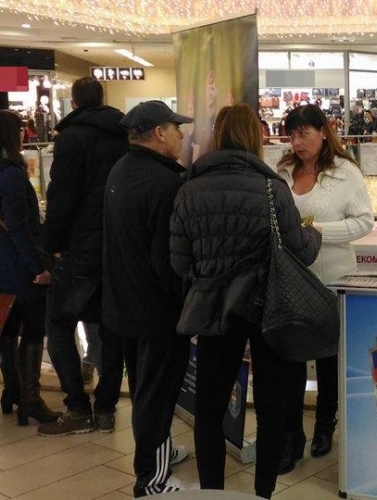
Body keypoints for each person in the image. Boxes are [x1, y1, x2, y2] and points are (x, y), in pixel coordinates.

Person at [170, 104, 322, 499]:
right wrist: (314, 234)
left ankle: (212, 492)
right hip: (266, 308)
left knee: (209, 409)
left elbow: (179, 261)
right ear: (255, 137)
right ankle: (263, 493)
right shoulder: (272, 189)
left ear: (218, 135)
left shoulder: (189, 188)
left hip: (212, 309)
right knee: (271, 407)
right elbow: (301, 252)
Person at [102, 100, 195, 496]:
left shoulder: (121, 170)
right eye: (176, 128)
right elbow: (167, 261)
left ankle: (160, 452)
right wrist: (185, 306)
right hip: (157, 312)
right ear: (159, 133)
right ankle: (152, 481)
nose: (182, 135)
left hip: (124, 305)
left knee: (145, 388)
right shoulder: (165, 183)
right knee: (157, 395)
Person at [276, 104, 374, 474]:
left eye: (304, 133)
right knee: (291, 360)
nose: (297, 142)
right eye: (292, 135)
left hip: (332, 277)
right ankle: (291, 435)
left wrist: (317, 232)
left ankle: (324, 423)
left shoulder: (345, 172)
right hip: (290, 280)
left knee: (330, 357)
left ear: (323, 131)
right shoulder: (282, 171)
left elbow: (364, 222)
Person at [38, 76, 127, 437]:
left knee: (58, 326)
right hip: (116, 247)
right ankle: (105, 409)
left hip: (79, 249)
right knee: (111, 329)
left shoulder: (70, 139)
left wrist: (49, 245)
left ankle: (77, 408)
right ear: (102, 99)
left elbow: (62, 197)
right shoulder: (123, 134)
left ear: (73, 103)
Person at [0, 110, 60, 426]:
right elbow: (19, 227)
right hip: (18, 266)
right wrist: (39, 266)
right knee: (33, 328)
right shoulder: (11, 176)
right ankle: (30, 399)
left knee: (8, 328)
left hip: (4, 266)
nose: (25, 133)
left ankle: (12, 390)